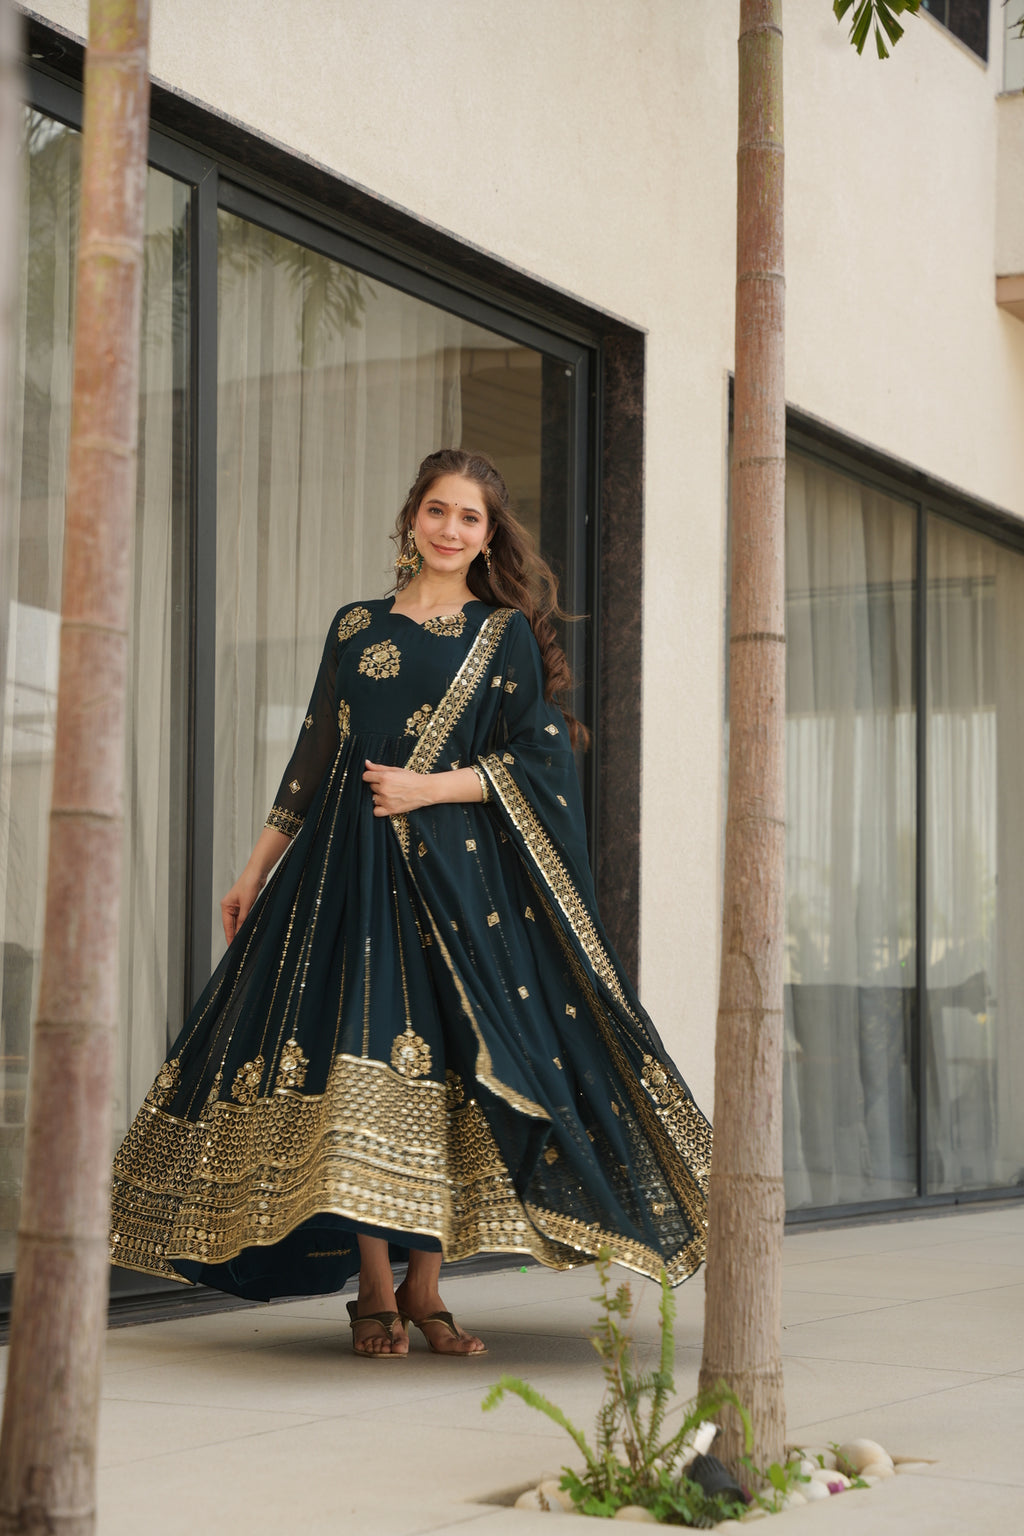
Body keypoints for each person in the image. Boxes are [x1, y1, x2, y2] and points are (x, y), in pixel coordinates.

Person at [110, 448, 712, 1359]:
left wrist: (432, 791)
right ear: (411, 518)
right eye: (438, 511)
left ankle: (429, 1286)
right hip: (344, 877)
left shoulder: (500, 632)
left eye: (470, 519)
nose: (451, 530)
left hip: (460, 887)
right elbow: (315, 753)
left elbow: (540, 763)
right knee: (356, 1057)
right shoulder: (354, 626)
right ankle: (377, 1288)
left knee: (452, 1066)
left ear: (487, 535)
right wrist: (253, 867)